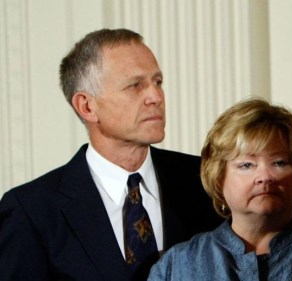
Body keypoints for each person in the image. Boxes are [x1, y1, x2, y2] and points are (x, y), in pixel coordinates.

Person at [0, 28, 223, 281]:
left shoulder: (208, 179)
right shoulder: (32, 210)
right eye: (135, 85)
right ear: (87, 106)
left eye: (157, 82)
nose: (156, 96)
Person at [148, 98, 292, 280]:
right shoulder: (178, 266)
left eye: (279, 163)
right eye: (246, 165)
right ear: (218, 178)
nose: (265, 177)